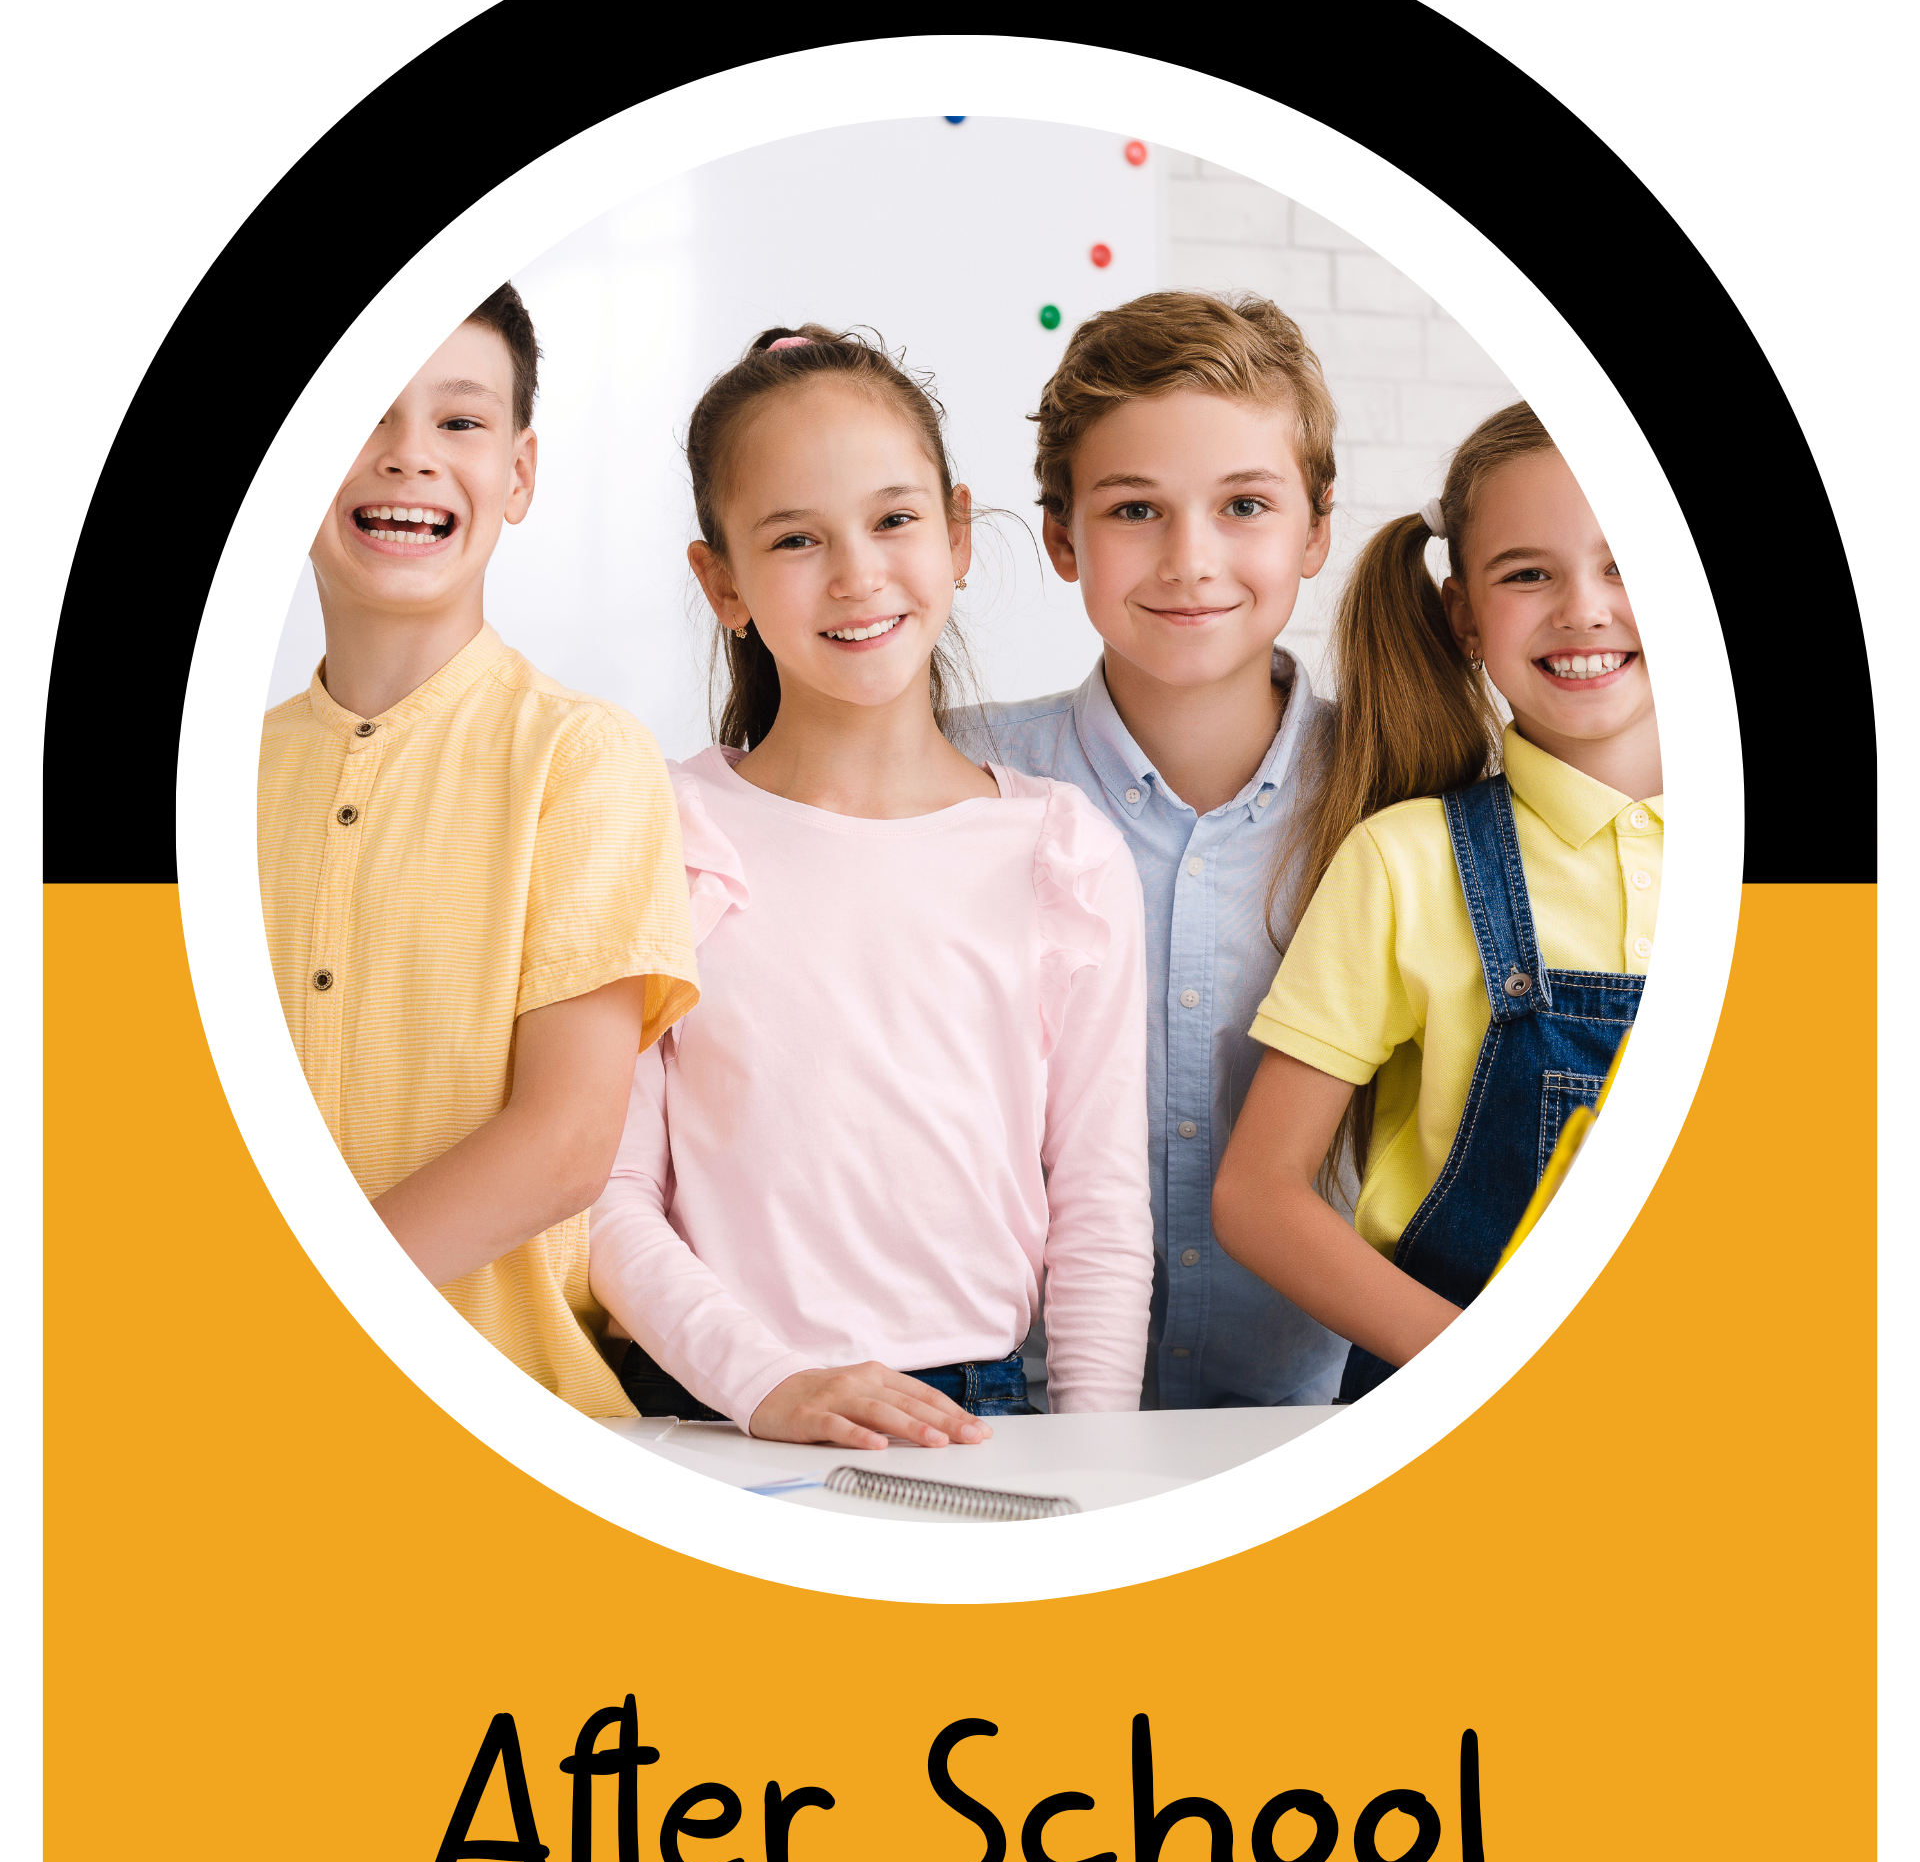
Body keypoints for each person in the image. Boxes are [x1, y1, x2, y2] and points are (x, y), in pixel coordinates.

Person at [587, 324, 1151, 1454]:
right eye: (795, 538)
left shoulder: (1059, 850)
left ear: (956, 534)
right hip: (714, 1411)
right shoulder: (663, 829)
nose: (857, 575)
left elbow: (1098, 1212)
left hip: (976, 1416)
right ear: (723, 583)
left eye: (894, 520)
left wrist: (1094, 1460)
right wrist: (766, 1385)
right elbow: (606, 1200)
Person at [257, 285, 697, 1415]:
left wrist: (276, 1311)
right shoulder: (213, 780)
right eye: (362, 415)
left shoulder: (582, 758)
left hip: (513, 1420)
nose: (408, 458)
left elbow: (563, 1144)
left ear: (520, 474)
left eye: (459, 423)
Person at [1212, 406, 1662, 1396]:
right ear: (1463, 616)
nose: (1584, 607)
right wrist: (1489, 1372)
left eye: (1628, 562)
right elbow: (1257, 1194)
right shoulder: (1405, 864)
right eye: (1528, 573)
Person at [950, 290, 1346, 1409]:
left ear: (1314, 529)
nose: (1189, 559)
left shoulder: (1401, 787)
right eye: (1136, 511)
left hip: (1310, 1421)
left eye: (1244, 505)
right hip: (998, 1415)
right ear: (1065, 537)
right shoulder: (947, 777)